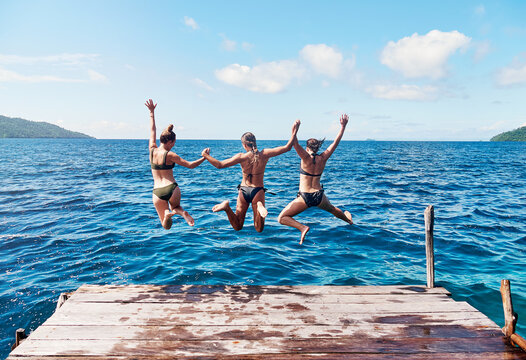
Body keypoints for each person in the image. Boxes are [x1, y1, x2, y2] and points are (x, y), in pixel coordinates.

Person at [201, 120, 300, 232]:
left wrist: (205, 155)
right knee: (259, 229)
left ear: (244, 145)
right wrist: (294, 131)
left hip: (243, 191)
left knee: (238, 226)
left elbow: (220, 165)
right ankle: (259, 206)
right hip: (257, 191)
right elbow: (287, 147)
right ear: (254, 142)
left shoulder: (241, 157)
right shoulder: (264, 154)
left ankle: (227, 208)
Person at [278, 114, 353, 244]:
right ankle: (349, 220)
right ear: (318, 148)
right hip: (319, 196)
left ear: (307, 148)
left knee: (282, 218)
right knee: (333, 210)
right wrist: (343, 126)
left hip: (304, 197)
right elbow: (336, 143)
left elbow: (294, 142)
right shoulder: (323, 157)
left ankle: (302, 228)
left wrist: (295, 128)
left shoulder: (305, 157)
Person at [146, 99, 207, 230]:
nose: (174, 145)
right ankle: (182, 212)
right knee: (176, 207)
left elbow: (152, 130)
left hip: (157, 191)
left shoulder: (151, 150)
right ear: (169, 142)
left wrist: (151, 113)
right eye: (173, 142)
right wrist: (204, 158)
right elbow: (190, 165)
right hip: (172, 188)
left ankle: (167, 215)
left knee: (166, 226)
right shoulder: (170, 155)